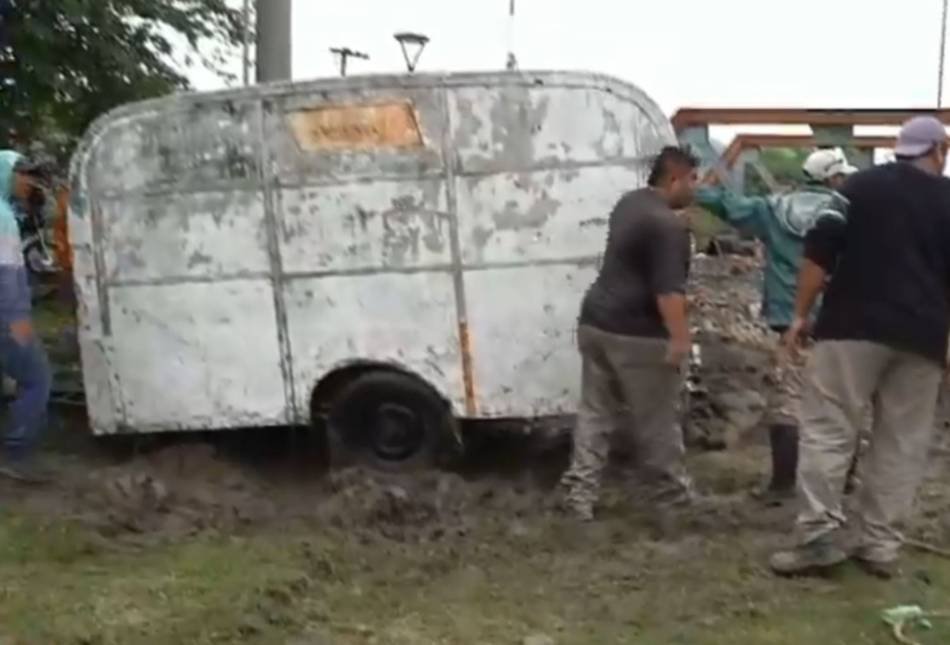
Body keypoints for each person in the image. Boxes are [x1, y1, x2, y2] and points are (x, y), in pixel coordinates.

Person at [770, 116, 950, 579]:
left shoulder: (857, 188)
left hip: (850, 328)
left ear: (900, 149)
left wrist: (799, 316)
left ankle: (817, 539)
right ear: (938, 150)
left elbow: (819, 251)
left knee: (830, 430)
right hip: (923, 339)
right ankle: (879, 547)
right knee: (901, 442)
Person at [695, 149, 855, 504]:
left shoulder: (772, 210)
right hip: (839, 322)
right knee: (842, 402)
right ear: (833, 179)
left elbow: (729, 205)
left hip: (790, 323)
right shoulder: (848, 212)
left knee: (788, 402)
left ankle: (783, 485)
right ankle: (844, 482)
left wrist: (690, 190)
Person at [559, 146, 698, 521]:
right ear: (674, 178)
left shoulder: (630, 204)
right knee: (657, 422)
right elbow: (668, 293)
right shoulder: (668, 228)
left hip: (595, 322)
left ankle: (579, 496)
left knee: (595, 415)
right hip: (636, 334)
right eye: (692, 180)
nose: (695, 188)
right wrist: (681, 339)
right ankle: (672, 503)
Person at [0, 150, 52, 482]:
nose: (27, 182)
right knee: (38, 378)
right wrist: (18, 322)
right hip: (7, 316)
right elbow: (4, 277)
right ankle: (16, 454)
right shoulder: (2, 217)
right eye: (21, 174)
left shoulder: (7, 212)